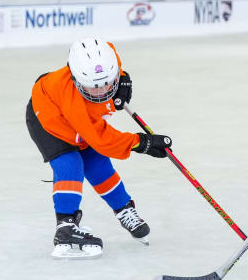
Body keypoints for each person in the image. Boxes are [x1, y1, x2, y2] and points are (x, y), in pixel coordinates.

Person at [25, 37, 173, 259]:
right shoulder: (74, 102)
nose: (102, 92)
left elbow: (114, 62)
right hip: (48, 119)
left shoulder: (108, 57)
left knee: (98, 163)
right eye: (93, 88)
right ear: (76, 80)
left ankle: (124, 209)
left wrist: (123, 80)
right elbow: (102, 140)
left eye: (108, 83)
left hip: (75, 116)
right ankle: (65, 226)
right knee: (70, 164)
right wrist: (142, 142)